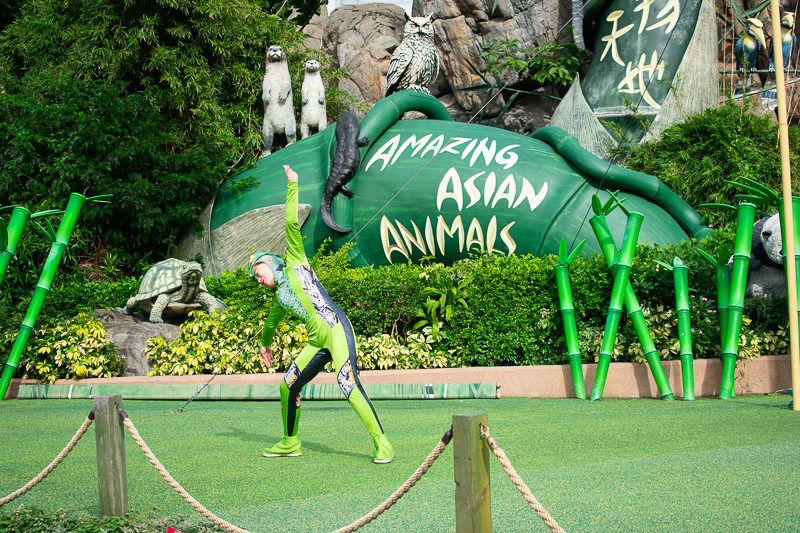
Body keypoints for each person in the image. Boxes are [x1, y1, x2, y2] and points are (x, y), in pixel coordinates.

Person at [248, 164, 394, 464]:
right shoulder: (280, 296)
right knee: (288, 385)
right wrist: (264, 343)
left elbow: (290, 225)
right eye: (254, 278)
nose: (257, 277)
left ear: (270, 262)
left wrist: (292, 185)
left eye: (258, 271)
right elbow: (272, 322)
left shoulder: (295, 262)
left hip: (337, 329)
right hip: (316, 342)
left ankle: (383, 444)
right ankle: (290, 441)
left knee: (348, 385)